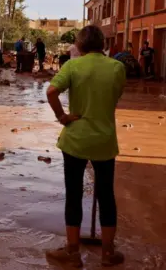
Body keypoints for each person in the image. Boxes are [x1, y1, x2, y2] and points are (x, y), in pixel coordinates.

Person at [45, 26, 126, 268]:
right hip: (104, 140)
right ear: (103, 44)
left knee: (74, 193)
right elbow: (114, 97)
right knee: (106, 195)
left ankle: (72, 253)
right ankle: (108, 253)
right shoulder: (117, 68)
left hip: (75, 140)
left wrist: (63, 116)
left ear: (79, 46)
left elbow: (51, 92)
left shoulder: (72, 66)